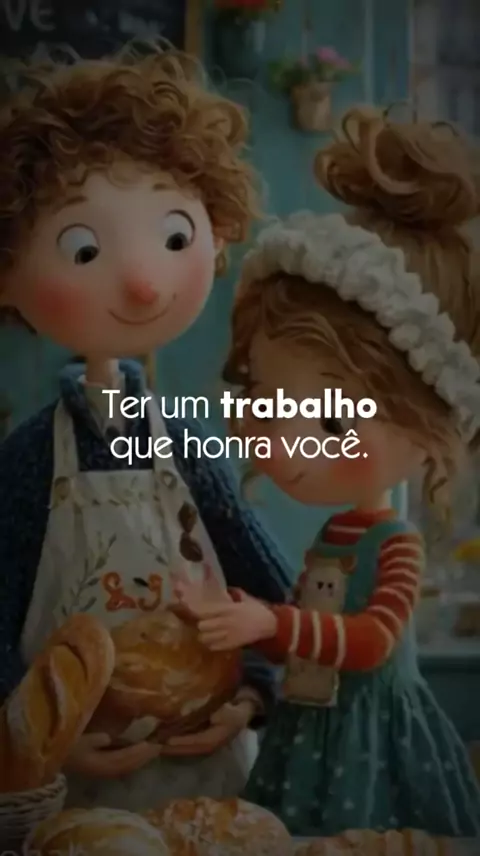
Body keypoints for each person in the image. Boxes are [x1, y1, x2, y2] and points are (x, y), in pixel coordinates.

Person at [172, 107, 480, 837]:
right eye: (267, 399)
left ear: (430, 428)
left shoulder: (395, 544)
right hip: (309, 733)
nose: (288, 442)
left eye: (335, 422)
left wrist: (269, 621)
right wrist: (240, 620)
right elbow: (302, 634)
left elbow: (372, 643)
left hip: (369, 750)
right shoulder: (336, 535)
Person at [0, 46, 291, 812]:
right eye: (84, 249)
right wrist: (35, 732)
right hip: (67, 793)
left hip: (210, 779)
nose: (139, 281)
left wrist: (252, 693)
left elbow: (274, 599)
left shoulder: (188, 447)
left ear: (216, 234)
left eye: (173, 237)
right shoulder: (29, 461)